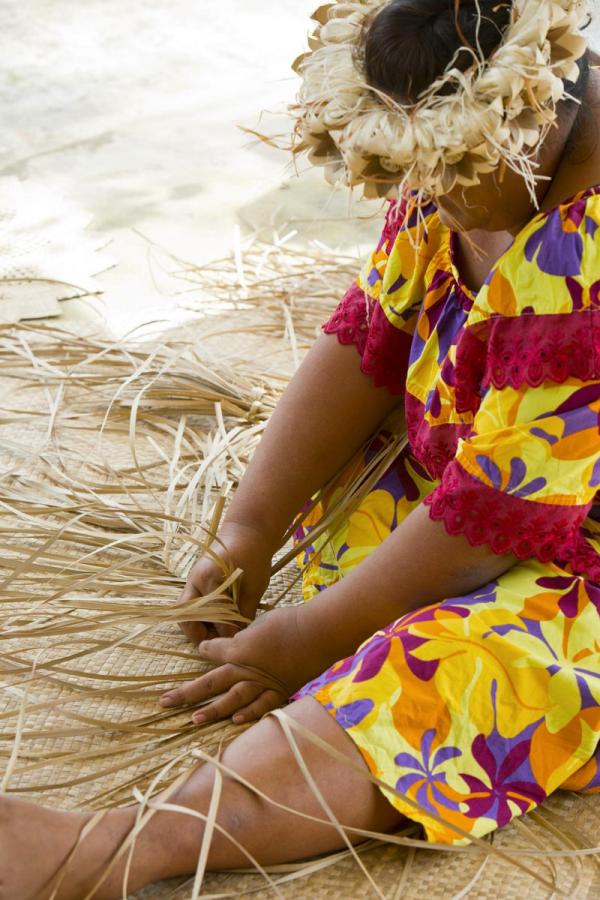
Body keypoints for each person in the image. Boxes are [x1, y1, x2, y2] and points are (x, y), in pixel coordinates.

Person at [2, 1, 600, 897]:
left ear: (536, 115)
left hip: (564, 542)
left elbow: (496, 519)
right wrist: (250, 525)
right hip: (491, 475)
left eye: (450, 175)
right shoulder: (473, 163)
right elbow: (370, 335)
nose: (428, 198)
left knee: (455, 670)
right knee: (359, 524)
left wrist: (312, 638)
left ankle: (120, 849)